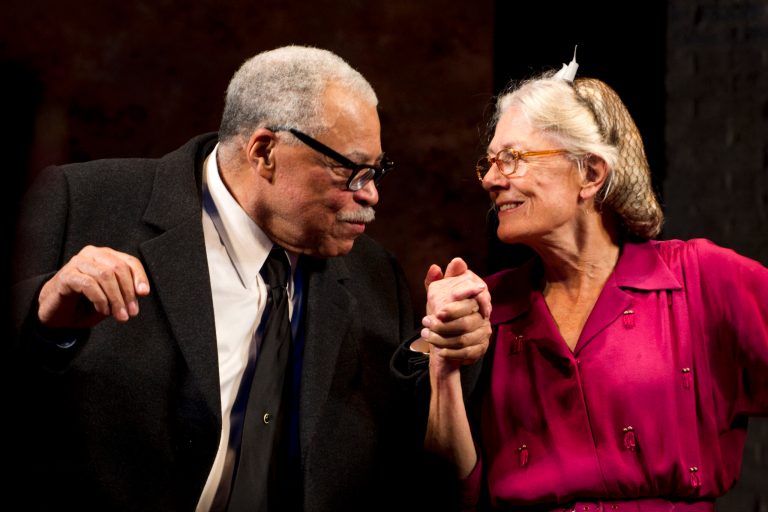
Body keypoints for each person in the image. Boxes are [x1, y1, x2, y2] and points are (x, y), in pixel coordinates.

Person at [9, 45, 491, 511]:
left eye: (376, 172)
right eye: (350, 172)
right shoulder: (86, 202)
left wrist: (443, 345)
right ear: (264, 151)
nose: (371, 197)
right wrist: (44, 320)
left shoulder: (374, 273)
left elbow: (407, 454)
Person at [417, 56, 768, 511]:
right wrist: (442, 364)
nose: (489, 179)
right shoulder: (487, 308)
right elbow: (452, 486)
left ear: (590, 173)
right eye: (488, 162)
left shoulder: (699, 280)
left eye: (512, 159)